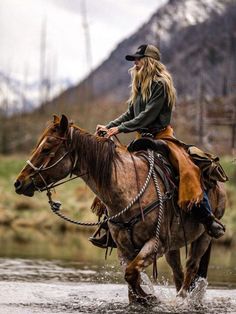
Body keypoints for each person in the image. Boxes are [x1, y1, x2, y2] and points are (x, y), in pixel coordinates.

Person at [90, 44, 225, 248]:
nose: (135, 63)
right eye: (134, 60)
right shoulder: (139, 85)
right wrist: (109, 126)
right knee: (117, 173)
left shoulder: (161, 85)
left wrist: (118, 130)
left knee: (188, 169)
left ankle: (207, 218)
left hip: (162, 139)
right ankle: (111, 228)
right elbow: (131, 115)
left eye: (138, 59)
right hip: (141, 138)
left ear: (149, 61)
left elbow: (146, 117)